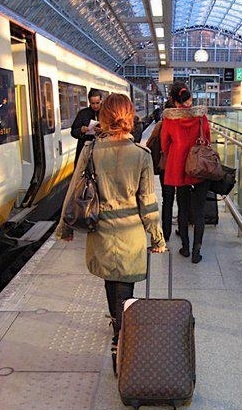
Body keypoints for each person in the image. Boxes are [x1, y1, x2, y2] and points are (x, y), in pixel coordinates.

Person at [56, 93, 166, 360]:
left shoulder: (91, 150)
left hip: (101, 229)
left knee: (109, 278)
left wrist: (65, 227)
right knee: (126, 282)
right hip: (131, 232)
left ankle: (118, 330)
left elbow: (74, 191)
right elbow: (148, 203)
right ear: (130, 118)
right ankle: (122, 333)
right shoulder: (142, 154)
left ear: (102, 118)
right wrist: (157, 238)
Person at [161, 82, 211, 263]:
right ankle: (197, 251)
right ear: (190, 98)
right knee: (199, 212)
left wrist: (175, 153)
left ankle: (185, 248)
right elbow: (208, 139)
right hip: (200, 169)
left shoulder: (169, 119)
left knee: (182, 209)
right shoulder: (201, 117)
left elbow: (165, 145)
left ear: (174, 101)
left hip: (180, 170)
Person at [146, 98, 176, 242]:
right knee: (183, 201)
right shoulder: (183, 125)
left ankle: (166, 232)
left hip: (165, 167)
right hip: (182, 168)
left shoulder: (160, 125)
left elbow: (149, 143)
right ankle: (182, 232)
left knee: (167, 200)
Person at [71, 89, 103, 166]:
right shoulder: (82, 113)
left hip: (102, 149)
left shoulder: (106, 113)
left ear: (101, 100)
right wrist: (81, 130)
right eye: (92, 103)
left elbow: (114, 129)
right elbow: (73, 132)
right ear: (89, 102)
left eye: (97, 103)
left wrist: (103, 130)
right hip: (84, 149)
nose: (95, 106)